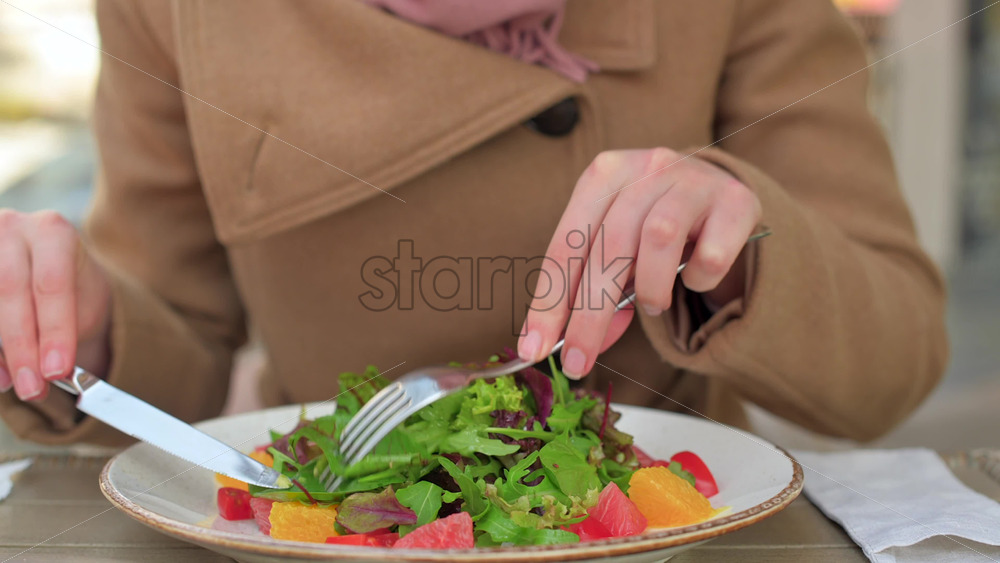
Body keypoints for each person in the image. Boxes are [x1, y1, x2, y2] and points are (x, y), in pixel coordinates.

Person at [0, 0, 947, 446]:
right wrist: (83, 331)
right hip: (326, 525)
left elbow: (896, 364)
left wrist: (738, 253)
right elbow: (185, 346)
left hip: (668, 525)